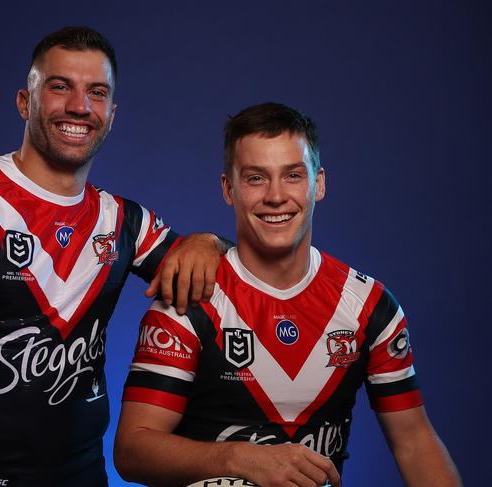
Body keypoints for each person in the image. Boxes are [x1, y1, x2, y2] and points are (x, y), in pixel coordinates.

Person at [0, 26, 226, 487]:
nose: (80, 107)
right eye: (60, 86)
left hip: (86, 476)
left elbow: (214, 274)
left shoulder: (125, 221)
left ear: (111, 115)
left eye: (97, 93)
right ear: (25, 102)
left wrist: (207, 240)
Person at [114, 102, 462, 487]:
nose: (276, 196)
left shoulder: (369, 306)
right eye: (256, 178)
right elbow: (133, 451)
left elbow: (413, 441)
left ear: (320, 183)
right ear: (228, 189)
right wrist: (241, 459)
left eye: (293, 175)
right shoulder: (189, 300)